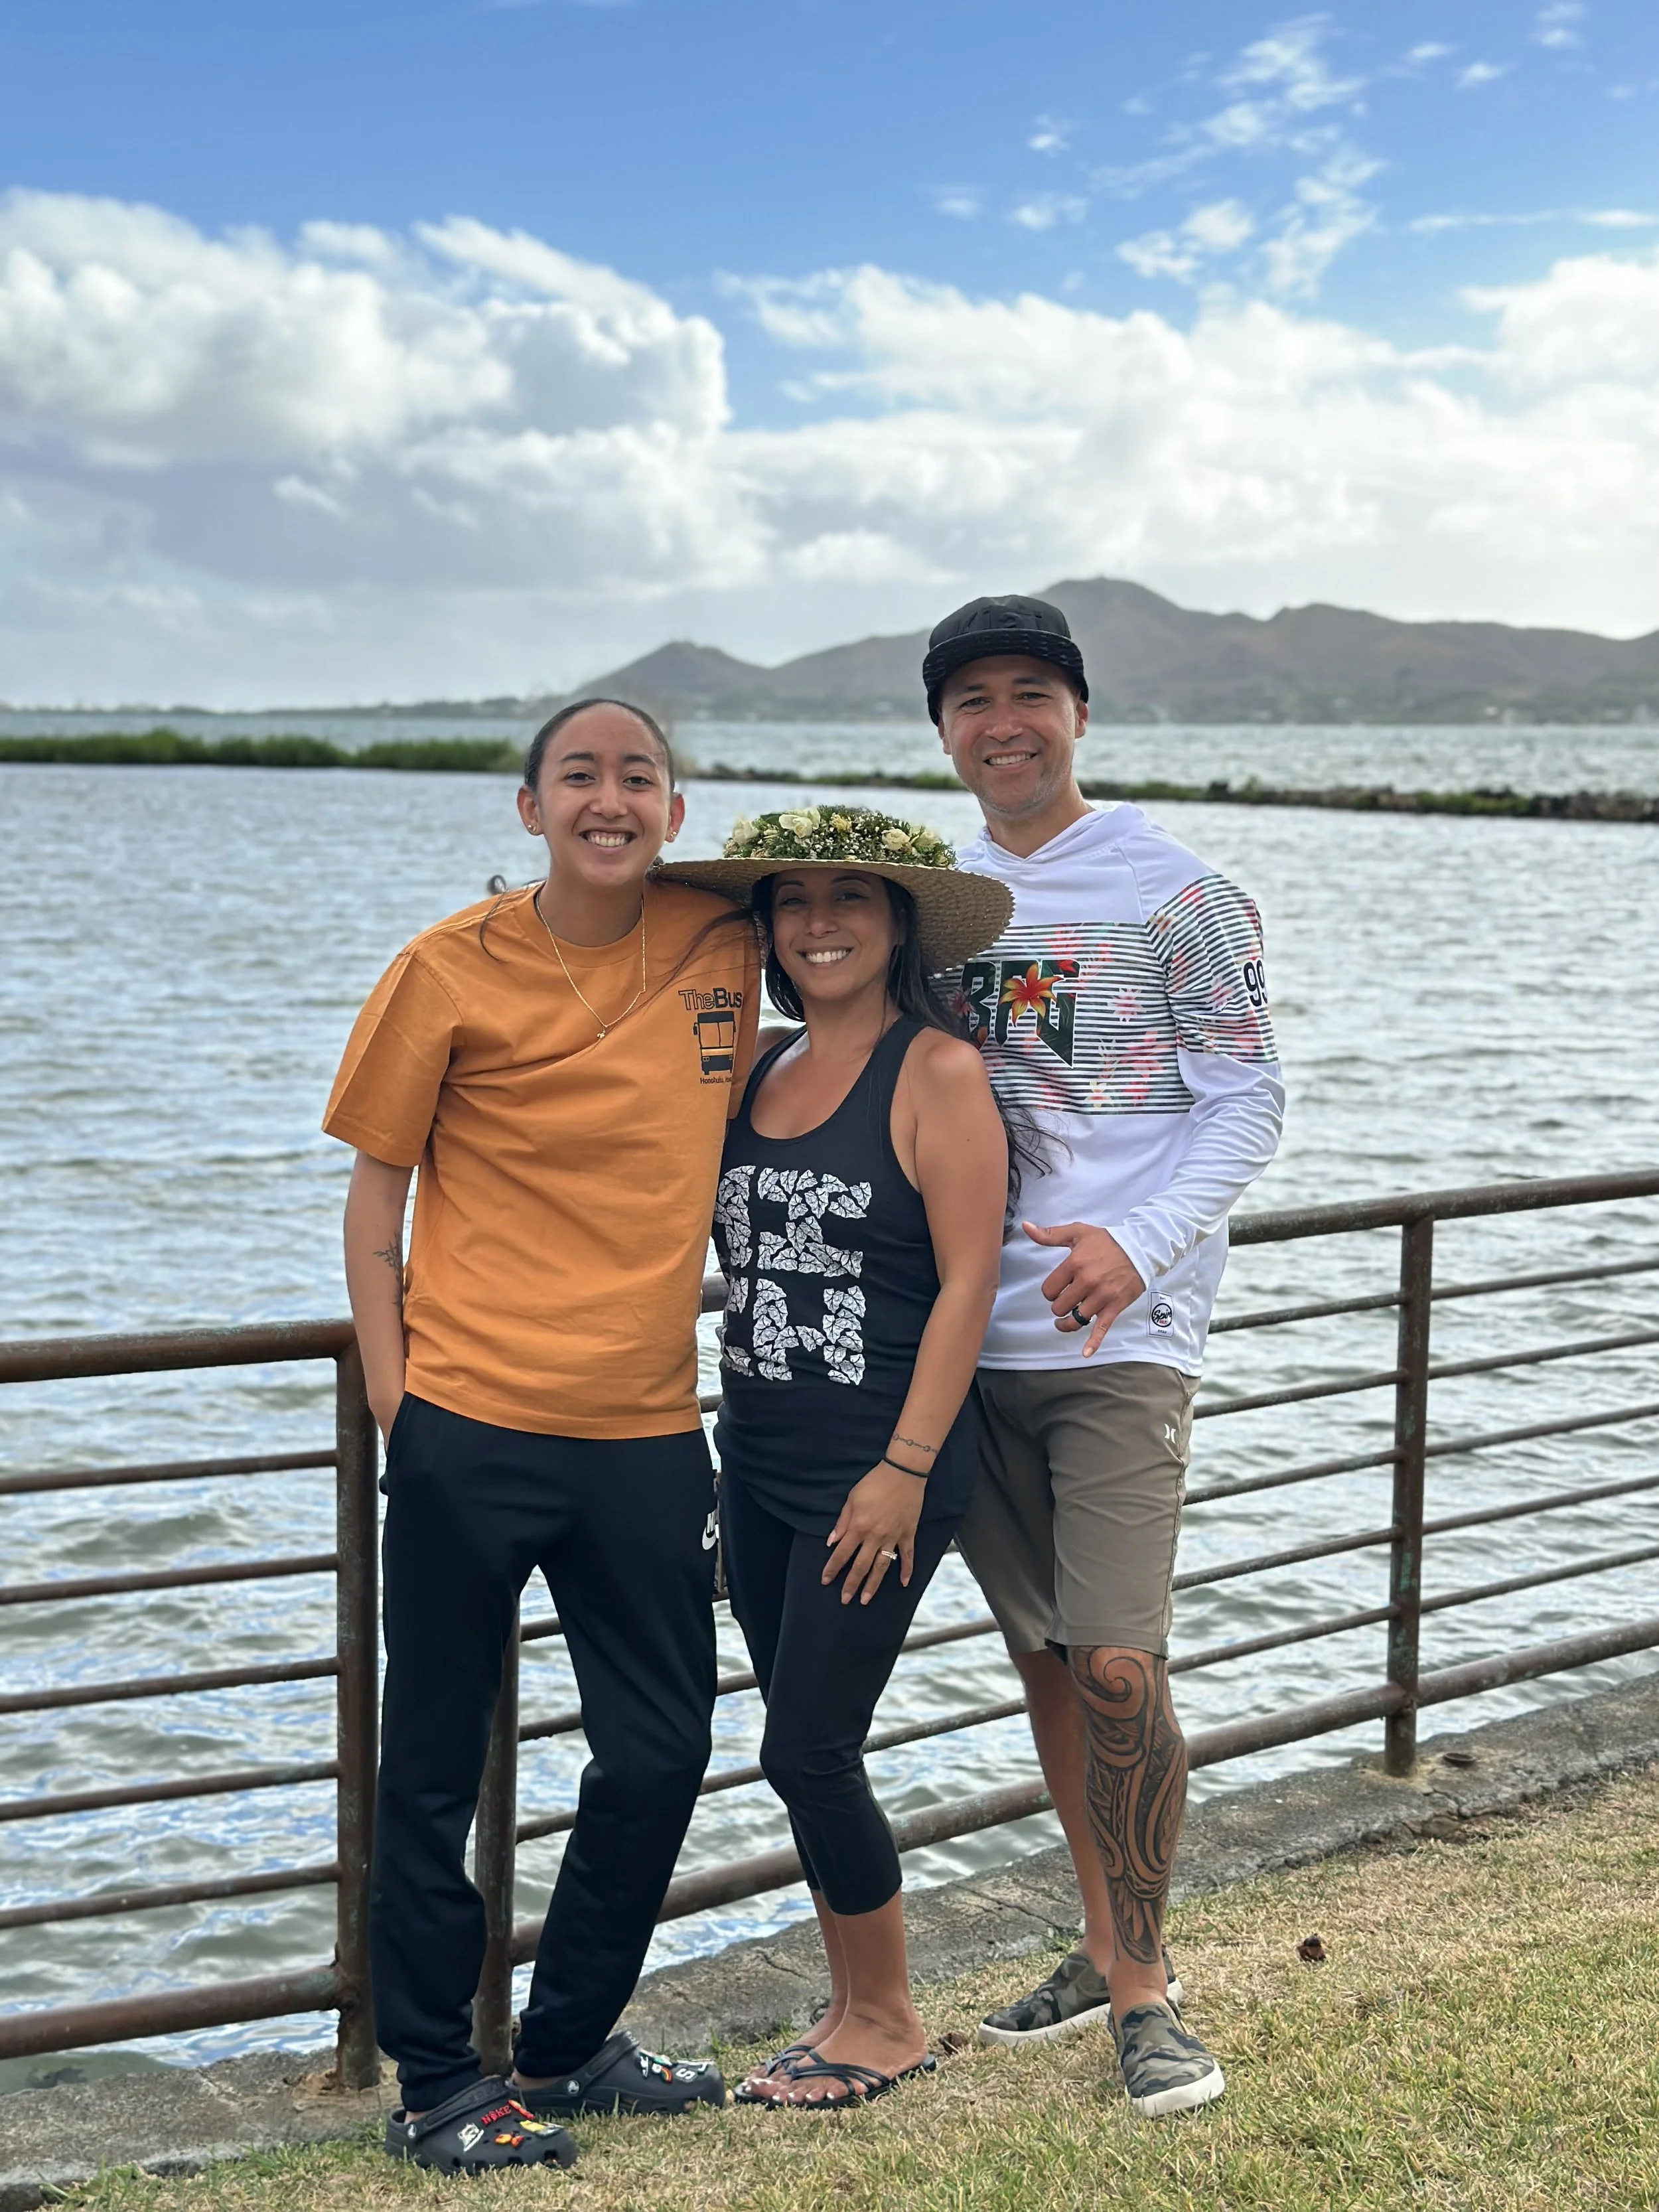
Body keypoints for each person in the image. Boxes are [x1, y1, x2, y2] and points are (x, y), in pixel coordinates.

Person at [323, 698, 760, 2175]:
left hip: (647, 1433)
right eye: (579, 775)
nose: (609, 799)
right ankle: (437, 2081)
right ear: (530, 809)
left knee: (662, 1749)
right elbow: (375, 1201)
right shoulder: (445, 966)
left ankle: (567, 2040)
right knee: (432, 1771)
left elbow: (856, 940)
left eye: (639, 777)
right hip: (470, 1425)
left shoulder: (722, 941)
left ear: (675, 813)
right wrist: (402, 1403)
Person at [925, 597, 1285, 2118]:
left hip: (1123, 1335)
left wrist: (1133, 1245)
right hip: (971, 1339)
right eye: (971, 700)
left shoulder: (1173, 890)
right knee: (1049, 1661)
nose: (1002, 722)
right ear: (942, 732)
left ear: (1077, 712)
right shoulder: (939, 901)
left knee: (1121, 1660)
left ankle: (1146, 1989)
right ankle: (1094, 1940)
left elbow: (1248, 1100)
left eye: (1031, 692)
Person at [660, 805, 1015, 2108]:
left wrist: (904, 1470)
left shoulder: (935, 1074)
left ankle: (889, 2020)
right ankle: (849, 2002)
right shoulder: (754, 1068)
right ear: (763, 931)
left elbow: (971, 1281)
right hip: (755, 1456)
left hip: (880, 1468)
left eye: (850, 897)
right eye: (792, 900)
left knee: (808, 1747)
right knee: (797, 1742)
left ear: (897, 923)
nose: (819, 922)